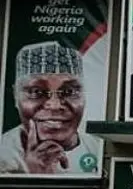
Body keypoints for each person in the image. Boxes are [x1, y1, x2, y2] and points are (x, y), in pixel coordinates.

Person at [0, 41, 101, 174]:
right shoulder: (5, 156)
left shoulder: (97, 148)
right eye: (36, 92)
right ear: (15, 96)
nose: (54, 105)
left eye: (69, 92)